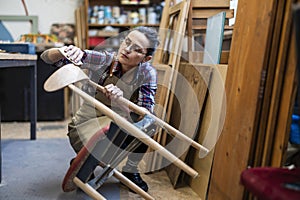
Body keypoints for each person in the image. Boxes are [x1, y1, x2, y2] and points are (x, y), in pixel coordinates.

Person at [41, 26, 159, 192]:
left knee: (151, 124)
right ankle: (86, 161)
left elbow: (144, 115)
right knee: (106, 135)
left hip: (118, 122)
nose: (126, 49)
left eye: (136, 50)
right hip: (88, 122)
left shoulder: (147, 74)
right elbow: (48, 59)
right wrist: (62, 51)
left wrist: (121, 102)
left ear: (145, 59)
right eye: (127, 42)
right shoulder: (106, 60)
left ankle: (130, 169)